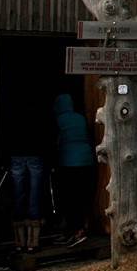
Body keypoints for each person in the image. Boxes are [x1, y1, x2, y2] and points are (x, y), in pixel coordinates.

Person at [7, 94, 55, 253]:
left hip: (17, 154)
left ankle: (19, 240)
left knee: (18, 194)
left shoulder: (12, 111)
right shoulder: (39, 111)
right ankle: (32, 241)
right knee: (35, 194)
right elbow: (47, 134)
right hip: (34, 154)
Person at [53, 93, 95, 246]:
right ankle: (82, 229)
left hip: (68, 162)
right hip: (86, 160)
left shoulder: (59, 120)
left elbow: (57, 141)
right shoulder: (80, 118)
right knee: (82, 196)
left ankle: (72, 231)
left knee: (69, 198)